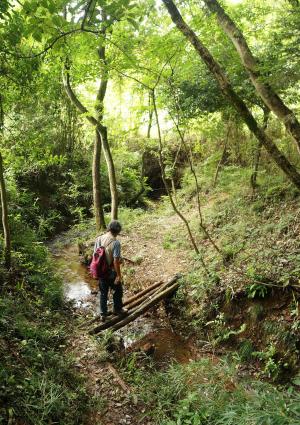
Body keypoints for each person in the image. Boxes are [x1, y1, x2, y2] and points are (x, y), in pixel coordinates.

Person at [93, 220, 127, 321]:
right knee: (118, 290)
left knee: (103, 292)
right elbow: (116, 261)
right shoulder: (116, 243)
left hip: (100, 271)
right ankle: (117, 309)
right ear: (118, 231)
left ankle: (103, 314)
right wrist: (118, 276)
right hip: (110, 272)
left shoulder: (99, 239)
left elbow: (95, 255)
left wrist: (95, 271)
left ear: (109, 228)